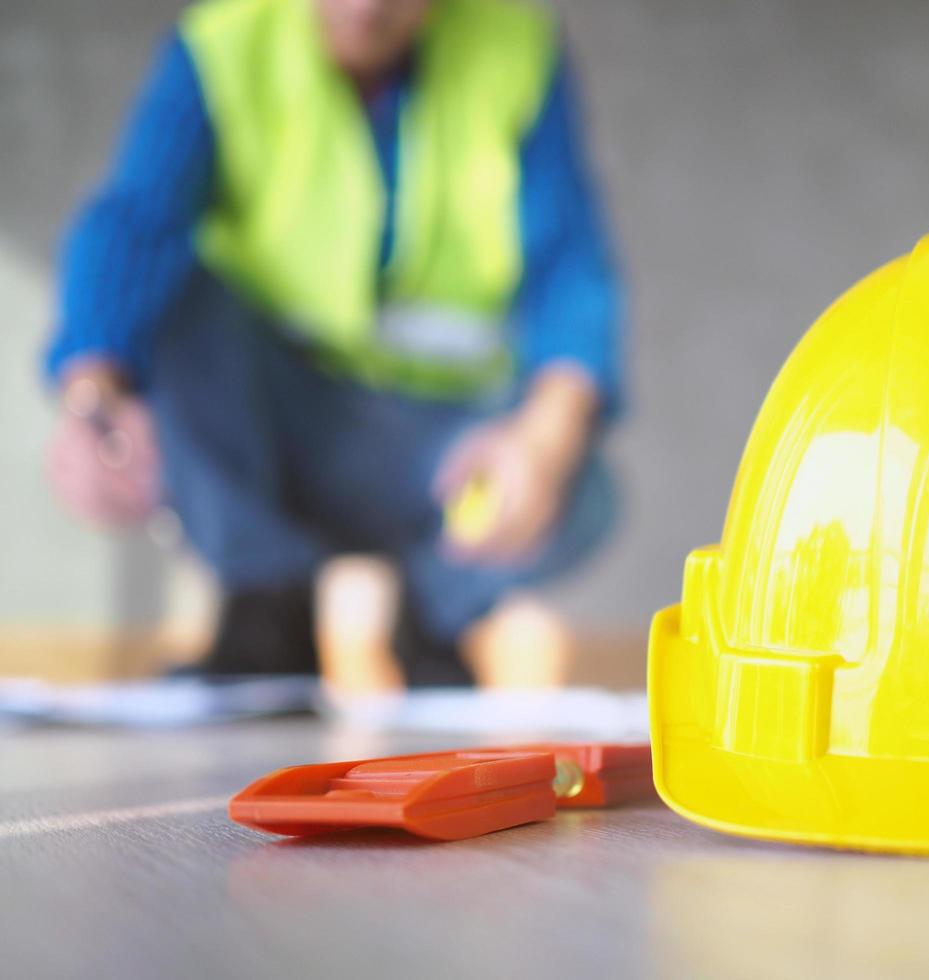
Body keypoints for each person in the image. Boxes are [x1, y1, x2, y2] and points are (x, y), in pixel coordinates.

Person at [43, 0, 622, 686]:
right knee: (176, 293)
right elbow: (136, 223)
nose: (366, 6)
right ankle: (267, 612)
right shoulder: (227, 44)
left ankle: (433, 620)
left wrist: (542, 443)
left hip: (433, 453)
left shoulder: (516, 50)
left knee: (582, 488)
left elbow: (570, 267)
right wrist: (93, 393)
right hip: (272, 427)